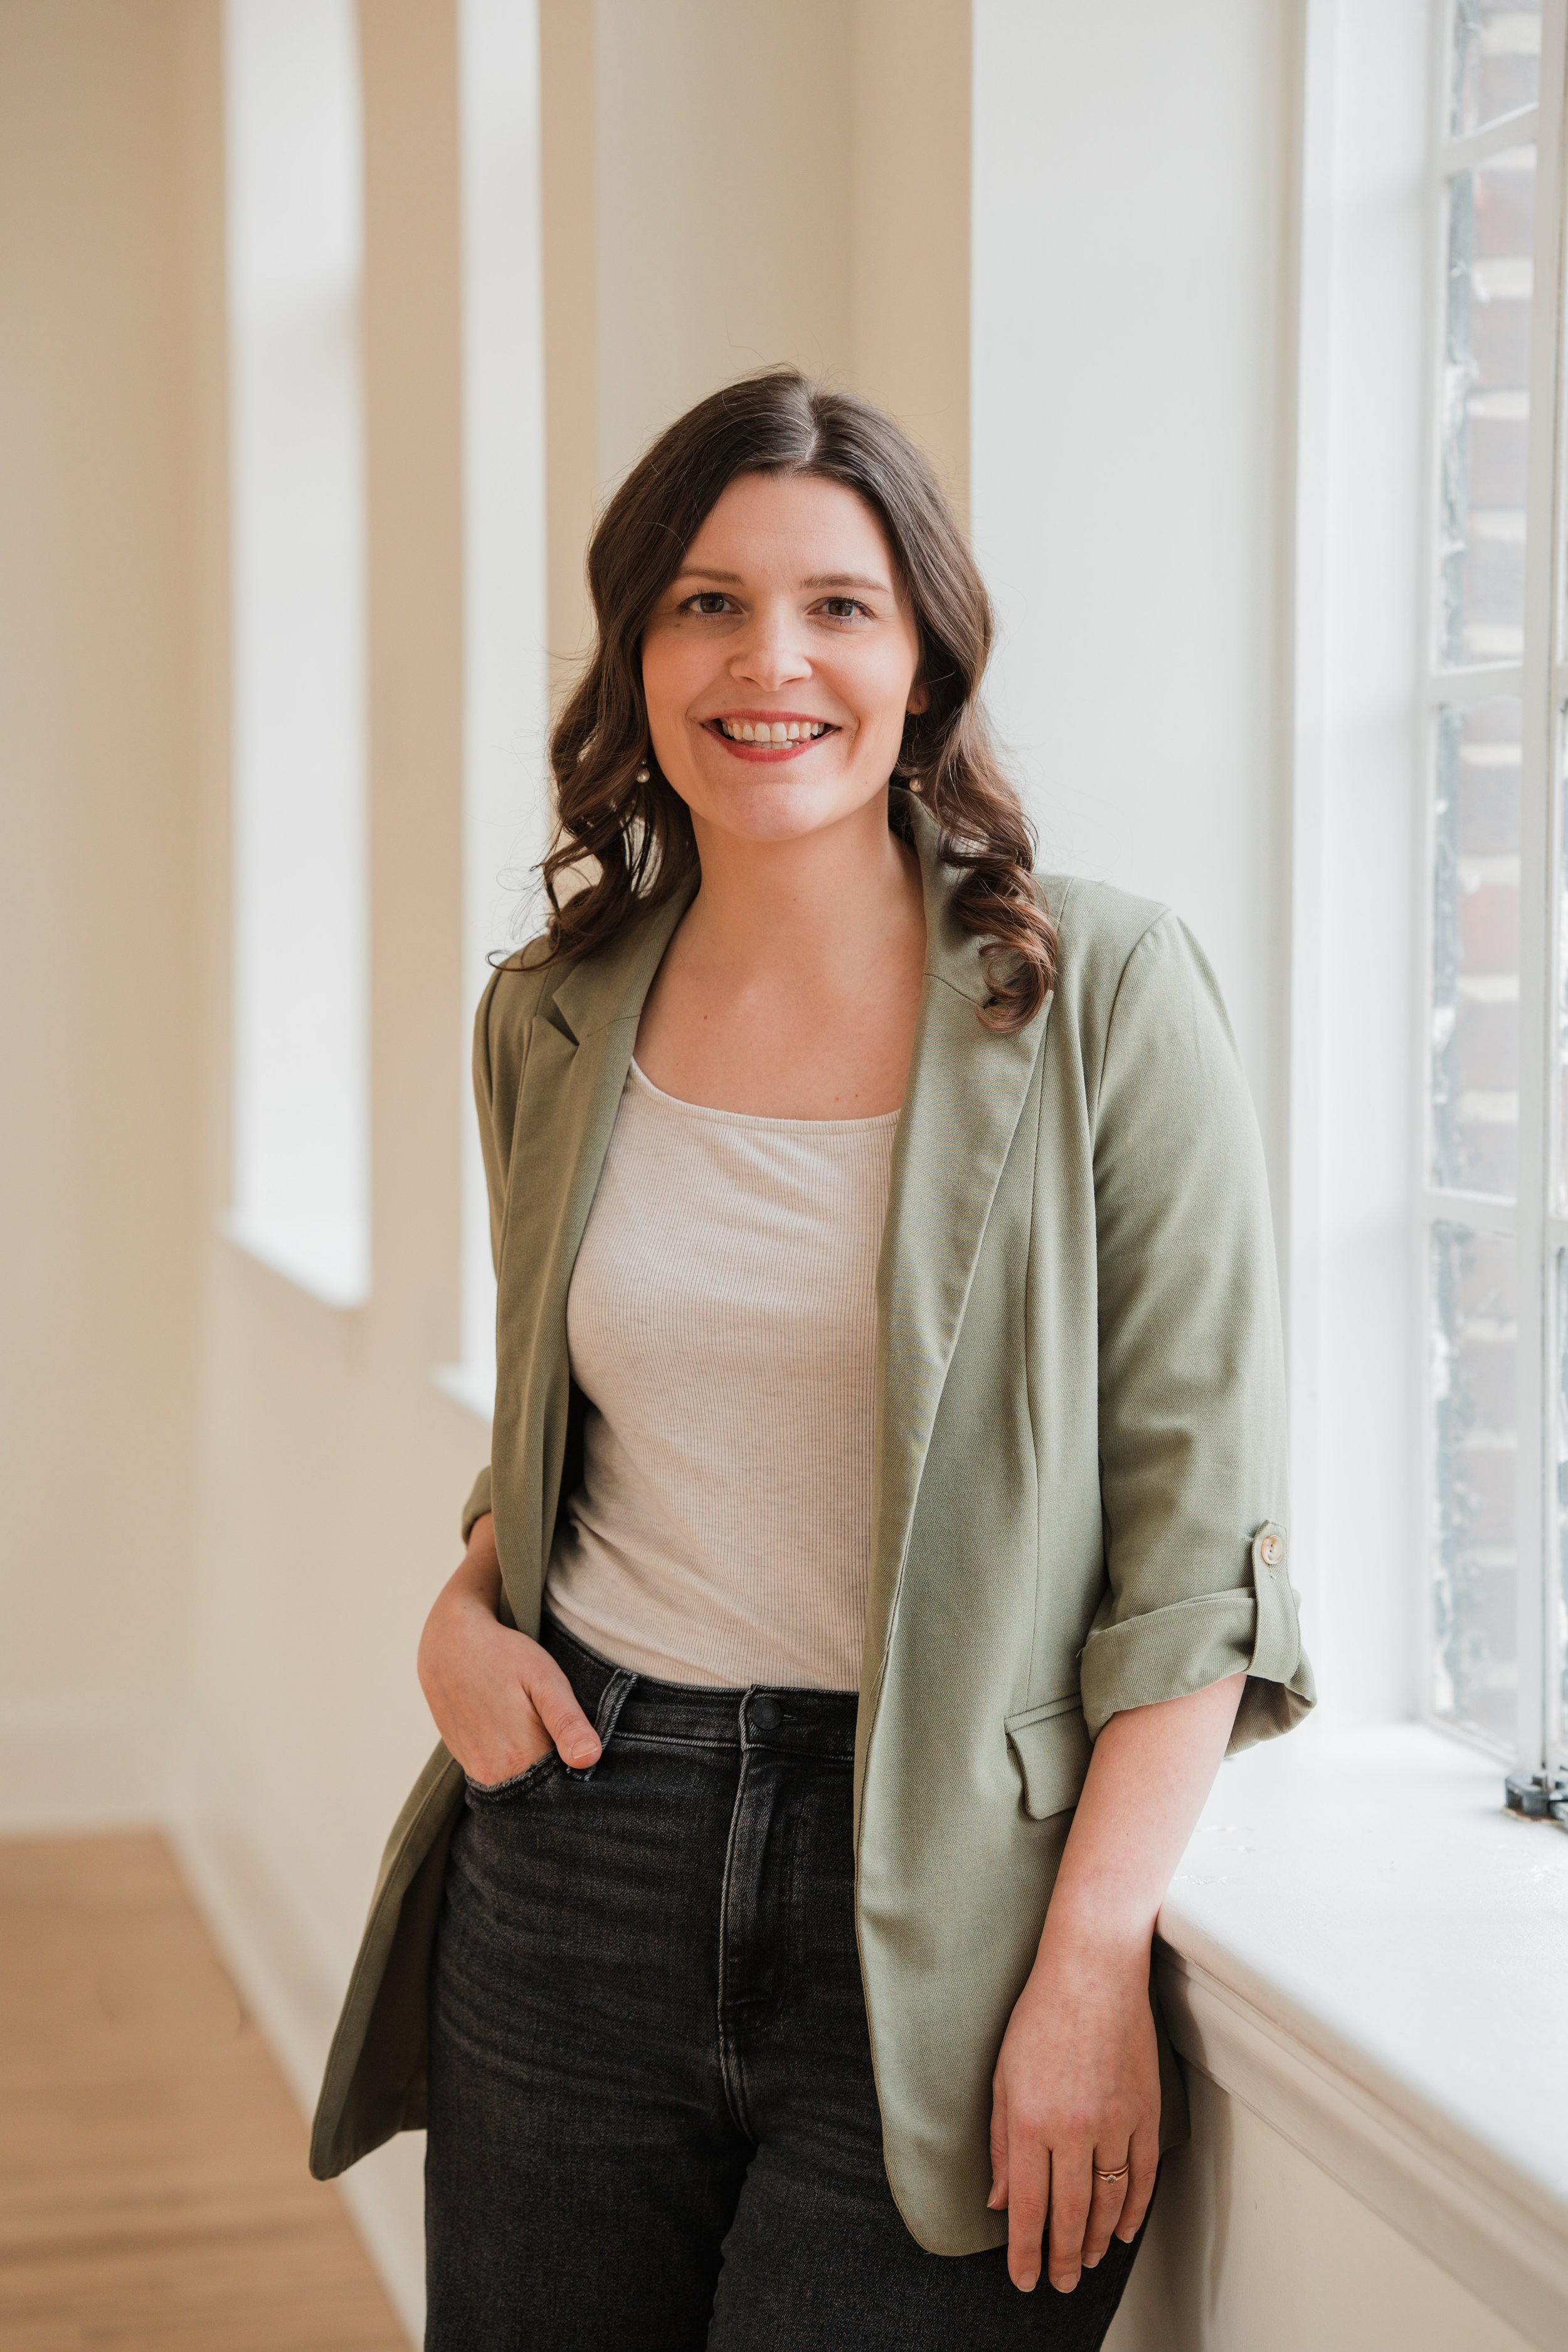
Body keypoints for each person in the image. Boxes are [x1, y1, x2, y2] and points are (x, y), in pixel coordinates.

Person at [309, 369, 1314, 2351]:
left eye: (837, 605)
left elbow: (1199, 1548)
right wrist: (460, 1608)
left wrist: (1090, 1957)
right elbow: (574, 1431)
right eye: (706, 603)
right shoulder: (549, 1012)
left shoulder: (1099, 991)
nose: (769, 661)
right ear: (636, 649)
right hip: (579, 1844)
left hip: (949, 1895)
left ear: (923, 660)